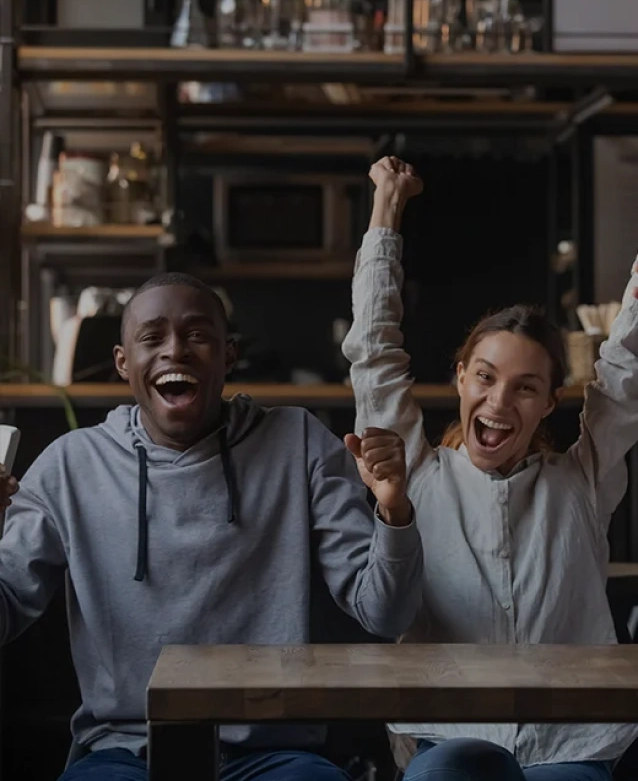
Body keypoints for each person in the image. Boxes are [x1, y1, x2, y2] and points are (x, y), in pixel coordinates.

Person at [0, 272, 424, 781]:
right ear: (122, 363)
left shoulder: (300, 443)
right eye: (152, 338)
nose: (175, 351)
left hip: (275, 752)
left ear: (229, 355)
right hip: (126, 751)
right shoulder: (70, 465)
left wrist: (394, 509)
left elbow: (384, 614)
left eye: (197, 335)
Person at [342, 156, 638, 781]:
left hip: (572, 744)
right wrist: (386, 211)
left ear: (549, 404)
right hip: (448, 737)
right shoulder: (418, 475)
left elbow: (622, 379)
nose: (500, 402)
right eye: (485, 377)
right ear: (460, 378)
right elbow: (374, 352)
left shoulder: (580, 483)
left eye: (526, 388)